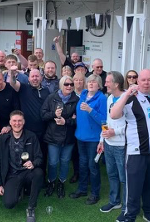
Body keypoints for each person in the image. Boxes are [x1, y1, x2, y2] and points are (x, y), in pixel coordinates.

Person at [110, 69, 150, 222]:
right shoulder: (131, 97)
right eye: (143, 80)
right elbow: (114, 114)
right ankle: (130, 215)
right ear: (137, 81)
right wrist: (127, 93)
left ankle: (148, 212)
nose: (146, 82)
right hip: (137, 152)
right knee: (134, 188)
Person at [0, 110, 43, 222]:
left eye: (20, 121)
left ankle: (31, 208)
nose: (17, 123)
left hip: (27, 172)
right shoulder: (3, 138)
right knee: (9, 204)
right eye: (14, 121)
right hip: (12, 175)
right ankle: (20, 190)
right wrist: (0, 184)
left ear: (24, 122)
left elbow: (39, 157)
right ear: (10, 123)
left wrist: (33, 163)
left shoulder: (31, 136)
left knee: (38, 173)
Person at [70, 74, 107, 205]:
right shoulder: (84, 94)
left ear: (99, 85)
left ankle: (95, 193)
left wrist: (90, 110)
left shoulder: (102, 98)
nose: (91, 84)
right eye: (89, 82)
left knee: (93, 166)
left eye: (94, 82)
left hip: (93, 139)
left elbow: (104, 120)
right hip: (80, 136)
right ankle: (82, 189)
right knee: (83, 164)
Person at [41, 76, 78, 198]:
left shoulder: (76, 100)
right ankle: (51, 182)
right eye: (66, 84)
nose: (69, 87)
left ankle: (61, 182)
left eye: (71, 84)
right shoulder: (52, 97)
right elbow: (43, 114)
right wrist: (53, 114)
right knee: (52, 162)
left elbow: (79, 121)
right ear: (61, 85)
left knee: (65, 162)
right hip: (53, 136)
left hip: (68, 137)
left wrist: (66, 121)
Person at [97, 71, 127, 222]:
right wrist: (101, 140)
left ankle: (126, 208)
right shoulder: (109, 98)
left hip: (122, 146)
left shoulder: (127, 98)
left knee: (124, 178)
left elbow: (132, 125)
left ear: (116, 84)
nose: (105, 84)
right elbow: (107, 121)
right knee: (112, 175)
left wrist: (115, 132)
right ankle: (115, 201)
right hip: (108, 144)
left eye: (108, 81)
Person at [8, 67, 50, 172]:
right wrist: (12, 74)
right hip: (28, 130)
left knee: (42, 154)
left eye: (37, 76)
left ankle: (41, 176)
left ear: (41, 78)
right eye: (32, 76)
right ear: (28, 78)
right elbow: (13, 83)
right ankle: (27, 175)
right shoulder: (23, 88)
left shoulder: (46, 91)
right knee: (28, 154)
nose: (35, 78)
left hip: (43, 129)